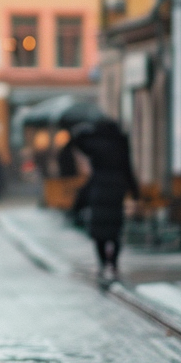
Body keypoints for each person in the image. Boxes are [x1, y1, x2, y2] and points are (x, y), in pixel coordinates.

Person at [70, 121, 139, 289]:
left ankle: (102, 263)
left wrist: (85, 131)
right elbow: (128, 167)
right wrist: (134, 190)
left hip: (99, 188)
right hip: (117, 189)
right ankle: (113, 264)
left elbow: (76, 140)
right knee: (115, 230)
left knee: (99, 230)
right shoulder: (121, 142)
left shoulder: (95, 142)